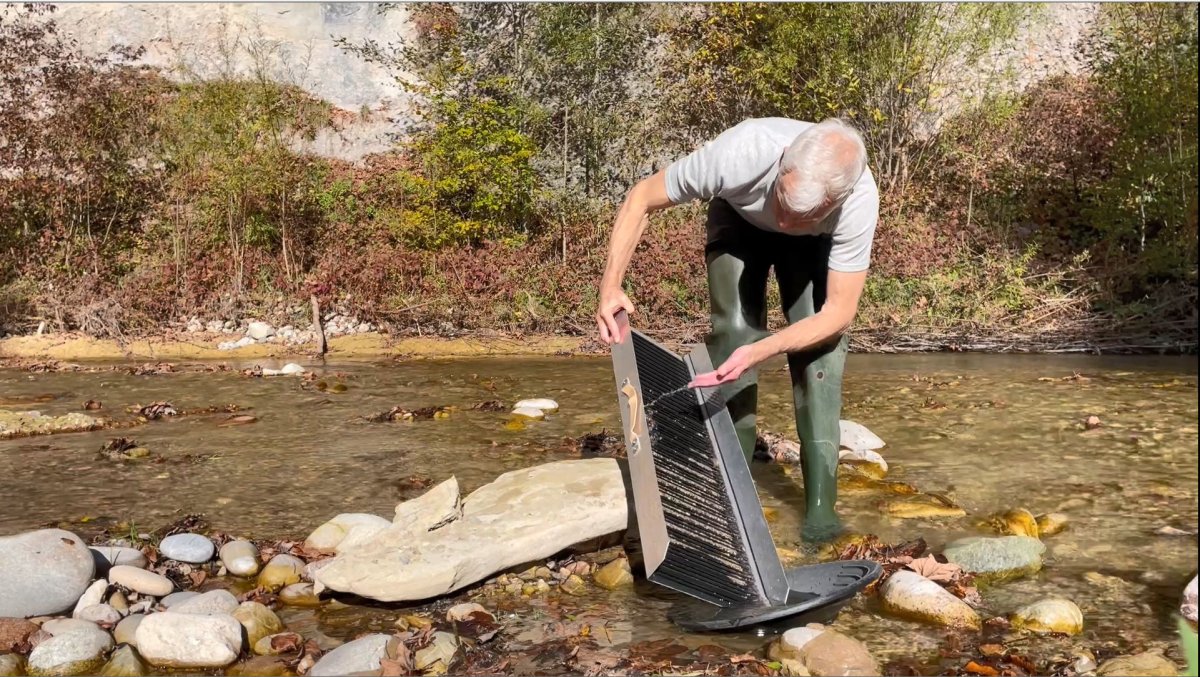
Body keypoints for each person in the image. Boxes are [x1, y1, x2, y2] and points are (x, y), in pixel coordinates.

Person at [595, 117, 879, 541]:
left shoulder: (858, 199)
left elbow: (838, 312)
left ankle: (821, 509)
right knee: (735, 339)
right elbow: (641, 199)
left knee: (818, 356)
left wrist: (766, 350)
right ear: (782, 164)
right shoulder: (742, 152)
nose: (783, 221)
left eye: (798, 215)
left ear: (836, 200)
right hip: (740, 224)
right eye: (782, 202)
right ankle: (734, 490)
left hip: (813, 247)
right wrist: (610, 284)